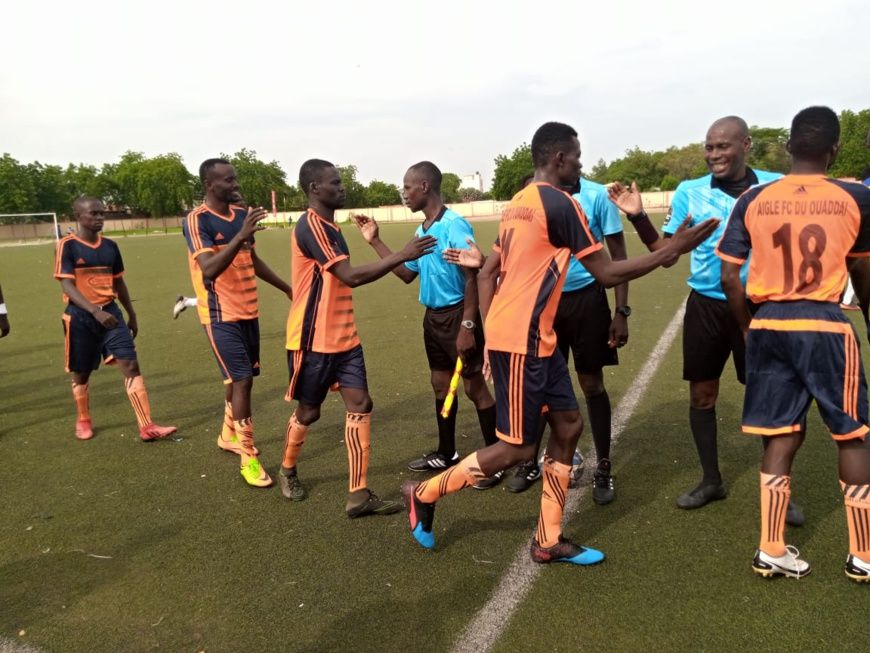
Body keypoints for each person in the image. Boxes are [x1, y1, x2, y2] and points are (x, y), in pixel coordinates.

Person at [402, 121, 717, 564]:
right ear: (559, 159)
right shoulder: (559, 203)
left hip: (536, 339)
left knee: (568, 427)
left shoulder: (520, 202)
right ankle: (424, 493)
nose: (581, 166)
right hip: (522, 342)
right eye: (578, 157)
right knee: (517, 448)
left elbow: (491, 268)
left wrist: (488, 330)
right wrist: (670, 251)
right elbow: (606, 273)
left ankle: (547, 541)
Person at [607, 117, 804, 524]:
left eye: (722, 146)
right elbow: (665, 251)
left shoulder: (775, 186)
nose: (713, 154)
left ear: (746, 144)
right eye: (709, 147)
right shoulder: (689, 192)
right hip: (707, 306)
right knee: (702, 395)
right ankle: (711, 480)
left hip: (759, 306)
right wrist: (638, 216)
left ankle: (781, 490)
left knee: (769, 397)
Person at [718, 106, 870, 582]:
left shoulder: (754, 198)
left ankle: (771, 548)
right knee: (853, 433)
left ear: (787, 146)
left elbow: (729, 276)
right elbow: (863, 270)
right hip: (824, 323)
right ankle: (863, 556)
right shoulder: (858, 196)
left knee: (781, 434)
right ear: (835, 148)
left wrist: (748, 328)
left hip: (769, 324)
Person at [280, 159, 436, 516]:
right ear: (314, 189)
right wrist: (403, 254)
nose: (342, 187)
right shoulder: (311, 226)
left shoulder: (332, 227)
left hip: (345, 338)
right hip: (312, 340)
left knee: (361, 405)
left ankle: (358, 495)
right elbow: (349, 276)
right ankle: (287, 468)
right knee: (309, 411)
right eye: (335, 182)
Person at [352, 161, 502, 489]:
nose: (403, 194)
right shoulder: (422, 231)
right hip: (433, 319)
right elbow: (407, 274)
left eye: (407, 188)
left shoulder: (454, 225)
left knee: (474, 387)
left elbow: (472, 274)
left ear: (424, 187)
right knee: (439, 384)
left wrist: (467, 325)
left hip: (459, 315)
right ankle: (447, 452)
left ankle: (496, 459)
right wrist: (375, 241)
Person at [506, 174, 630, 504]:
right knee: (543, 385)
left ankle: (603, 466)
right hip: (546, 302)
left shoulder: (595, 196)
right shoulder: (532, 198)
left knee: (591, 383)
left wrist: (622, 310)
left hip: (588, 299)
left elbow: (617, 252)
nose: (576, 161)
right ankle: (531, 461)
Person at [183, 158, 292, 488]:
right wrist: (241, 234)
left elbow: (252, 260)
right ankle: (248, 457)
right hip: (219, 314)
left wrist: (288, 287)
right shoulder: (196, 220)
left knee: (238, 380)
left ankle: (227, 434)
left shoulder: (241, 216)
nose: (235, 184)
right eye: (228, 180)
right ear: (209, 185)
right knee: (242, 381)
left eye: (235, 179)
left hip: (249, 311)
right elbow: (209, 269)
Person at [54, 197, 176, 441]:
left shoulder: (110, 246)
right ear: (78, 216)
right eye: (93, 214)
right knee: (82, 372)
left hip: (111, 312)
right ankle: (84, 418)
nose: (99, 218)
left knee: (130, 365)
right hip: (80, 316)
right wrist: (94, 311)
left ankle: (146, 426)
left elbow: (118, 282)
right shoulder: (67, 246)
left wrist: (131, 313)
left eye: (102, 214)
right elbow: (67, 285)